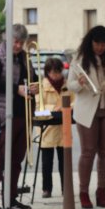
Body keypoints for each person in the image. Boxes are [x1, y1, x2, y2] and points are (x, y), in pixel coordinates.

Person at [66, 25, 105, 209]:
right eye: (97, 44)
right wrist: (80, 83)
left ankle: (101, 191)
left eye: (104, 44)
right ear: (90, 42)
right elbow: (70, 85)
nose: (100, 47)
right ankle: (83, 192)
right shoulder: (79, 59)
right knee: (88, 151)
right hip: (87, 111)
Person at [0, 23, 38, 209]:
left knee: (16, 159)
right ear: (8, 38)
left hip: (22, 113)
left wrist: (34, 85)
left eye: (22, 42)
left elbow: (31, 77)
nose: (18, 46)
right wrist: (17, 89)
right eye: (16, 42)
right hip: (2, 115)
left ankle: (10, 197)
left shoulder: (23, 57)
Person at [37, 57, 73, 198]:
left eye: (58, 72)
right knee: (47, 162)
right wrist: (54, 109)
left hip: (63, 128)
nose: (56, 75)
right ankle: (47, 188)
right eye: (53, 73)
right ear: (47, 73)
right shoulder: (42, 86)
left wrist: (67, 108)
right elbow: (38, 108)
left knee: (64, 162)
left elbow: (74, 101)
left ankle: (66, 188)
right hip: (47, 129)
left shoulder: (67, 85)